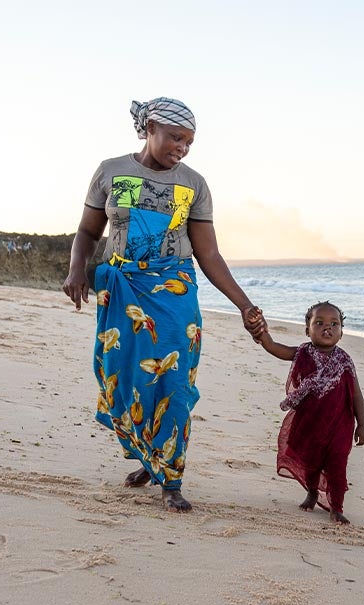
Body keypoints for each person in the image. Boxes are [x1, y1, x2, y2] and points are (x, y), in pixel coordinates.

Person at [62, 97, 266, 513]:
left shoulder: (193, 184)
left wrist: (245, 306)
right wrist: (76, 269)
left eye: (189, 142)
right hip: (122, 288)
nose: (182, 148)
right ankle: (147, 458)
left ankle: (171, 479)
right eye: (176, 137)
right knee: (122, 377)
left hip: (173, 293)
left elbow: (209, 254)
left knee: (172, 383)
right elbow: (87, 230)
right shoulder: (112, 171)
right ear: (150, 127)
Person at [258, 301, 364, 524]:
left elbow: (356, 394)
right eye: (319, 323)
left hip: (340, 425)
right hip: (310, 423)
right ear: (308, 330)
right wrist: (263, 336)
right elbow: (276, 349)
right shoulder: (302, 353)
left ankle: (336, 507)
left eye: (334, 324)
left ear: (341, 332)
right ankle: (312, 492)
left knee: (338, 464)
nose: (327, 328)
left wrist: (362, 424)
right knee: (311, 462)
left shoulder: (345, 360)